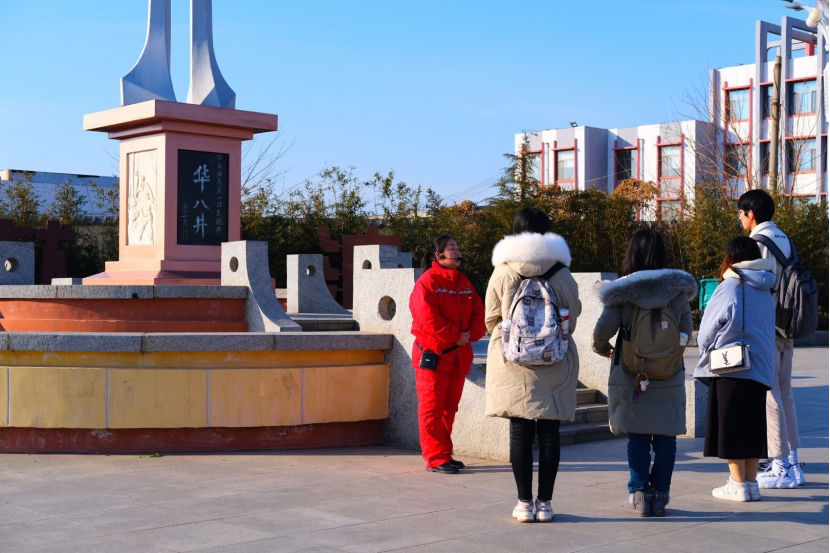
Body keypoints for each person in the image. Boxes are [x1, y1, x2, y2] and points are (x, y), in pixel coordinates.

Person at [484, 207, 582, 523]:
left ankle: (524, 504)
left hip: (513, 362)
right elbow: (572, 318)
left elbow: (490, 318)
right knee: (550, 432)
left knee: (520, 432)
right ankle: (546, 504)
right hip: (555, 360)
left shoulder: (503, 271)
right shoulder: (561, 273)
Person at [592, 229, 696, 517]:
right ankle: (659, 497)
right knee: (666, 437)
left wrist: (602, 348)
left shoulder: (622, 291)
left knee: (637, 437)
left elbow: (602, 331)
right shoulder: (678, 290)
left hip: (631, 374)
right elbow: (686, 332)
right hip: (669, 373)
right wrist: (669, 355)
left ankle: (638, 496)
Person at [695, 237, 776, 502]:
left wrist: (705, 351)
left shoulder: (731, 285)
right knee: (753, 425)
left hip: (732, 364)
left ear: (731, 258)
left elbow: (708, 329)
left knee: (731, 425)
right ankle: (751, 484)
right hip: (761, 365)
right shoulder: (765, 287)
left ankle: (737, 485)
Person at [738, 189, 803, 489]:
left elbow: (756, 284)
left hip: (768, 327)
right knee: (785, 393)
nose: (740, 219)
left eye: (741, 214)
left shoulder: (757, 243)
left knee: (770, 394)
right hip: (788, 326)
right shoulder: (784, 239)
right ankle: (794, 464)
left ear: (751, 214)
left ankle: (779, 465)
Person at [409, 235, 486, 475]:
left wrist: (470, 335)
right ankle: (435, 458)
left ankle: (444, 453)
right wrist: (456, 336)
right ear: (439, 255)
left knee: (449, 408)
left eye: (458, 247)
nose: (458, 251)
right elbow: (428, 319)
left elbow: (478, 313)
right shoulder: (427, 282)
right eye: (452, 248)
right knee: (431, 408)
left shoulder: (463, 282)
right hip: (433, 356)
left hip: (459, 356)